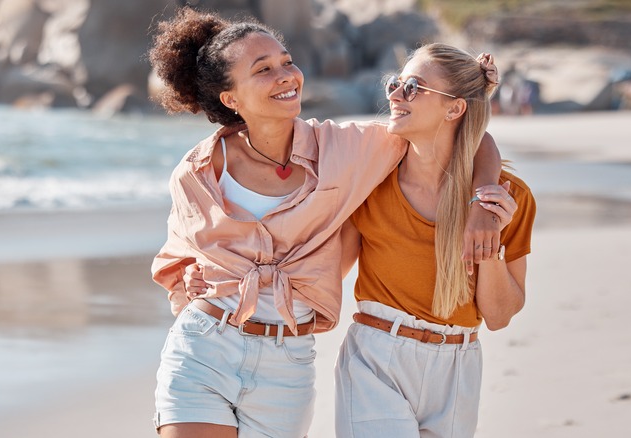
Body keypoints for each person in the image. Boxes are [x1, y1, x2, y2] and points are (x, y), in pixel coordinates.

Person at [149, 8, 502, 438]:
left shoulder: (347, 149)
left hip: (287, 363)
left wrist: (484, 200)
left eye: (286, 61)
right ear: (231, 98)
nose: (286, 75)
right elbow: (177, 259)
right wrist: (184, 281)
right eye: (263, 70)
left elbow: (467, 129)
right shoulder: (197, 172)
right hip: (205, 347)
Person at [335, 44, 537, 438]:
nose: (394, 95)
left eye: (413, 87)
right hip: (377, 358)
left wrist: (490, 243)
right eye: (395, 83)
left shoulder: (507, 197)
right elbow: (327, 269)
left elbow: (498, 316)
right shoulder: (370, 182)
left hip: (459, 365)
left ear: (454, 108)